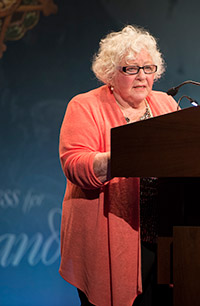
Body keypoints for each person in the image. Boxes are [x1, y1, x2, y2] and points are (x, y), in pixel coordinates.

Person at [59, 25, 178, 306]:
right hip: (109, 235)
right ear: (111, 73)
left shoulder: (167, 105)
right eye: (131, 69)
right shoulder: (85, 105)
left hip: (164, 237)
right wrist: (125, 155)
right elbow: (75, 163)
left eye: (148, 68)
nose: (142, 77)